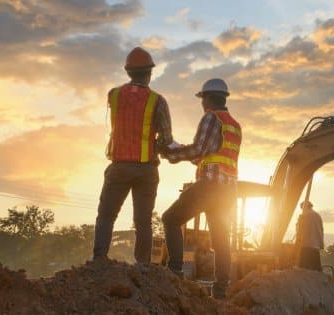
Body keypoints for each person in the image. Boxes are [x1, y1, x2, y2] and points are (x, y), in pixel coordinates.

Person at [92, 46, 174, 264]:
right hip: (146, 168)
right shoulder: (158, 101)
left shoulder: (114, 95)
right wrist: (161, 148)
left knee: (106, 216)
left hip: (118, 166)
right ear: (150, 73)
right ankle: (143, 267)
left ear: (128, 72)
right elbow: (166, 140)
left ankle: (99, 260)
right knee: (143, 221)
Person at [161, 78, 241, 299]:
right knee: (221, 238)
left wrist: (171, 153)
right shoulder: (234, 125)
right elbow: (210, 155)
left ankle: (175, 272)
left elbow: (197, 151)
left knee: (170, 219)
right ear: (224, 98)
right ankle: (221, 289)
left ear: (206, 99)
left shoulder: (210, 117)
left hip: (209, 186)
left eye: (202, 99)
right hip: (228, 191)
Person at [295, 201, 324, 271]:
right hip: (316, 246)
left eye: (302, 208)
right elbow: (321, 230)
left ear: (303, 207)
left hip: (306, 245)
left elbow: (299, 231)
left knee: (303, 269)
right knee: (316, 270)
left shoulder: (303, 216)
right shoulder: (318, 216)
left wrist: (297, 243)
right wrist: (321, 244)